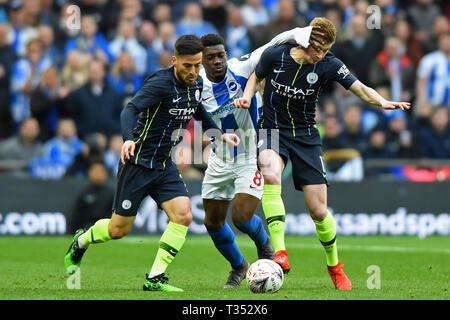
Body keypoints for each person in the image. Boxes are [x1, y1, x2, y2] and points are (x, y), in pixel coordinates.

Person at [234, 17, 410, 290]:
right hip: (271, 129)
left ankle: (335, 267)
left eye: (326, 50)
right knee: (270, 171)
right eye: (317, 49)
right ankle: (280, 252)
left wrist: (383, 102)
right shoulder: (275, 54)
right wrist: (247, 97)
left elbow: (359, 87)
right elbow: (257, 75)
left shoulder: (329, 65)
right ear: (305, 41)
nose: (321, 55)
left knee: (318, 210)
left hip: (306, 136)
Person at [64, 34, 240, 292]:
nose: (193, 71)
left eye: (197, 65)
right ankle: (81, 241)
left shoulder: (197, 84)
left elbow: (197, 110)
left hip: (164, 164)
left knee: (183, 215)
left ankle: (155, 278)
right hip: (137, 162)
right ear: (174, 61)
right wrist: (128, 139)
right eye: (187, 66)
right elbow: (129, 109)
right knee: (117, 230)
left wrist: (218, 134)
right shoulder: (159, 83)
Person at [198, 26, 323, 288]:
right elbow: (196, 115)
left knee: (242, 217)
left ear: (226, 54)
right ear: (202, 59)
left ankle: (266, 246)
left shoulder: (241, 68)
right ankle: (238, 266)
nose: (218, 61)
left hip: (253, 151)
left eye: (221, 55)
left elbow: (274, 40)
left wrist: (305, 32)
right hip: (220, 158)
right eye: (211, 57)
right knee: (212, 221)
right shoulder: (196, 82)